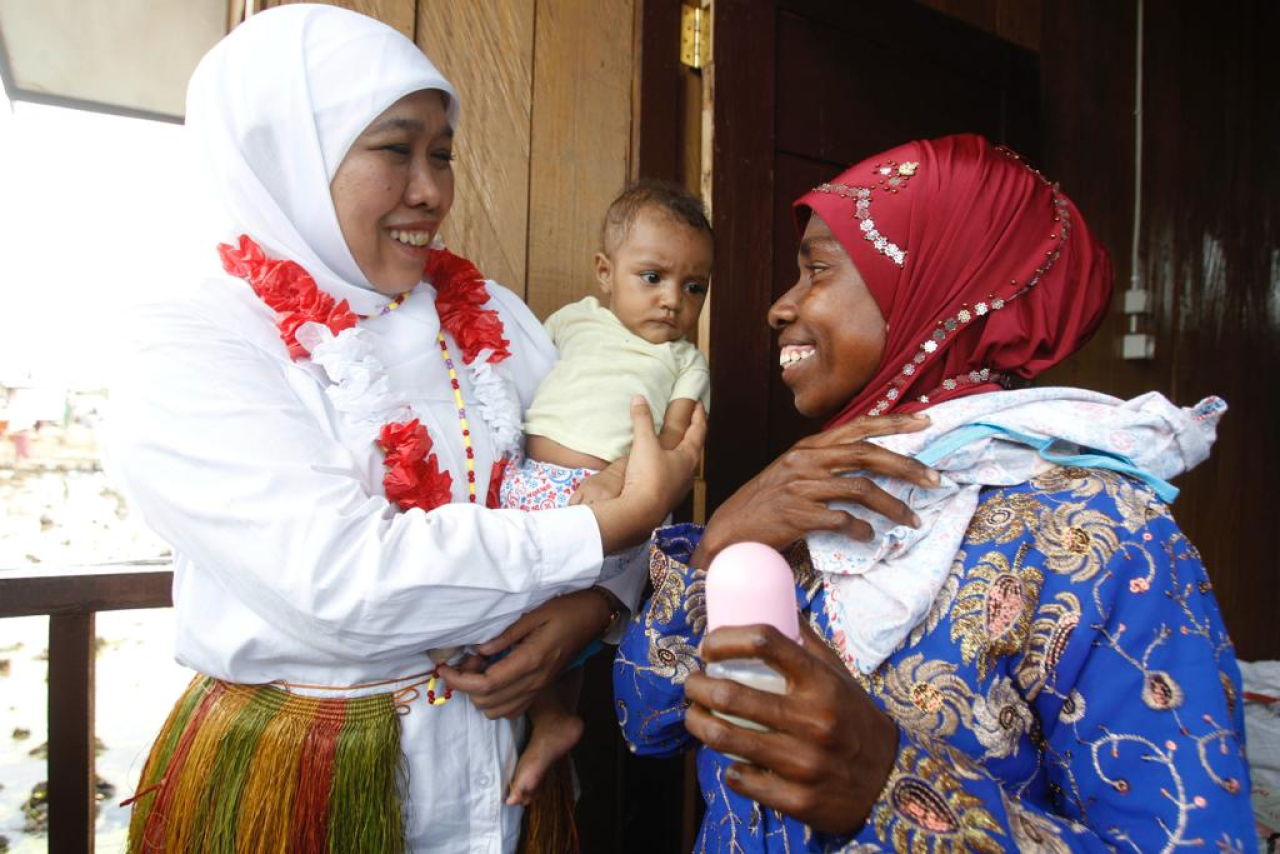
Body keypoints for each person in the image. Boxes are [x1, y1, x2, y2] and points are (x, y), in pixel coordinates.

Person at [108, 6, 702, 852]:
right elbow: (339, 583)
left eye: (444, 153)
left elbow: (619, 479)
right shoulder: (194, 339)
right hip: (303, 770)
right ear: (289, 152)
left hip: (501, 769)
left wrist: (591, 608)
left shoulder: (488, 318)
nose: (433, 190)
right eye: (395, 149)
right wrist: (600, 529)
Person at [614, 134, 1255, 851]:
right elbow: (649, 725)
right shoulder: (805, 496)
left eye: (817, 269)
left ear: (935, 282)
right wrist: (724, 537)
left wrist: (888, 786)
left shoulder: (1101, 536)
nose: (778, 307)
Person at [492, 180, 713, 804]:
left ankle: (555, 715)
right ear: (604, 272)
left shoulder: (684, 361)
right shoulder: (571, 322)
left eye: (694, 287)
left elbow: (671, 443)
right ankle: (551, 717)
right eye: (653, 277)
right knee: (512, 613)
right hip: (531, 485)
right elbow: (523, 380)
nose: (673, 300)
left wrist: (617, 481)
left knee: (564, 611)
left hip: (609, 499)